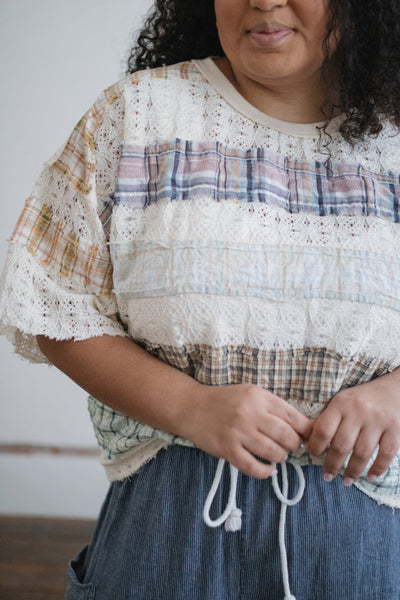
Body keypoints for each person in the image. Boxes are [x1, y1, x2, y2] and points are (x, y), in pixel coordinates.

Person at [1, 0, 400, 597]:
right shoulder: (135, 117)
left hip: (360, 540)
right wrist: (190, 406)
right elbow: (55, 301)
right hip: (165, 531)